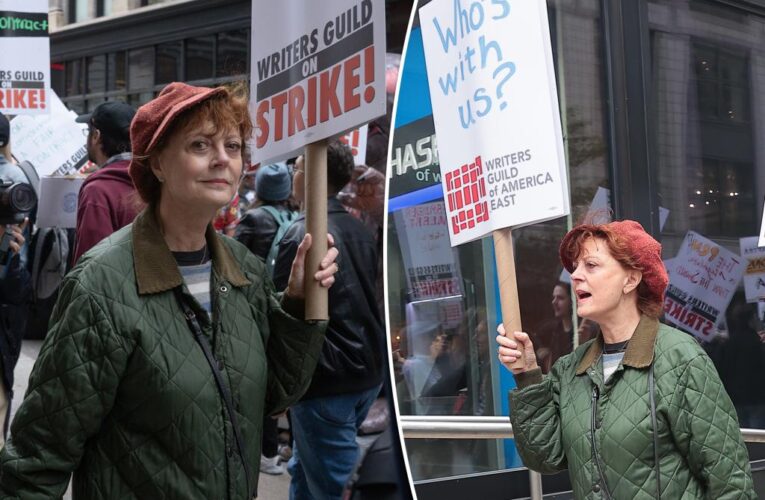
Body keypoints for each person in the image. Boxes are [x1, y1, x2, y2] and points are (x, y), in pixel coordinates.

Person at [0, 82, 339, 499]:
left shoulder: (244, 271)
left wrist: (297, 304)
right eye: (200, 145)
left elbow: (270, 398)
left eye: (233, 146)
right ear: (157, 163)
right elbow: (38, 460)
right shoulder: (99, 287)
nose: (222, 160)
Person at [496, 219, 755, 498]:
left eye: (591, 265)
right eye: (575, 267)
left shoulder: (681, 358)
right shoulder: (571, 368)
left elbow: (730, 483)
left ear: (631, 279)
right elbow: (545, 458)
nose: (575, 275)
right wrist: (528, 375)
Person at [273, 141, 384, 500]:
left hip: (324, 376)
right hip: (365, 370)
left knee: (331, 484)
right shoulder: (361, 230)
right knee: (307, 469)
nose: (293, 173)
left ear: (312, 175)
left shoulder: (301, 235)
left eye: (298, 166)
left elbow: (282, 315)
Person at [235, 161, 298, 475]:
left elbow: (231, 262)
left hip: (255, 308)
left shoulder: (252, 219)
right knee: (284, 375)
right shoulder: (296, 217)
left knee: (258, 377)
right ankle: (283, 452)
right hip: (288, 307)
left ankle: (265, 453)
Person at [72, 101, 139, 264]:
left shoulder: (98, 190)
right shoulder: (158, 179)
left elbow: (91, 266)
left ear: (96, 136)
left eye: (88, 132)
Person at [532, 281, 597, 373]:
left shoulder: (585, 329)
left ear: (572, 301)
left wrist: (582, 344)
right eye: (554, 297)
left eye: (560, 298)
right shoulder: (552, 330)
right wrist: (543, 353)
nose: (554, 302)